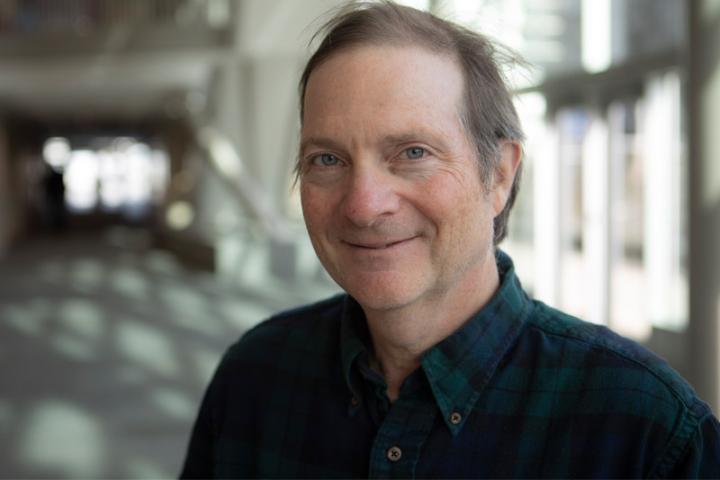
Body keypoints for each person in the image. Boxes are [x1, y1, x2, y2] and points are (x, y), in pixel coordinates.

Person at [180, 2, 720, 478]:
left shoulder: (647, 431)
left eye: (413, 152)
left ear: (500, 175)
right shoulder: (253, 379)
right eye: (328, 159)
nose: (365, 205)